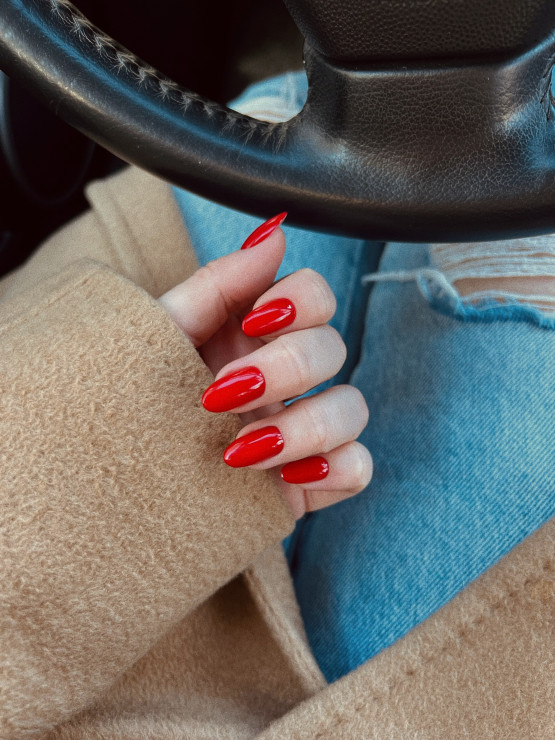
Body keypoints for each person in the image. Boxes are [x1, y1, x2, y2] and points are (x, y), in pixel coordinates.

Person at [0, 73, 553, 738]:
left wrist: (108, 441)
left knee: (346, 103)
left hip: (61, 419)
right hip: (421, 698)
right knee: (512, 129)